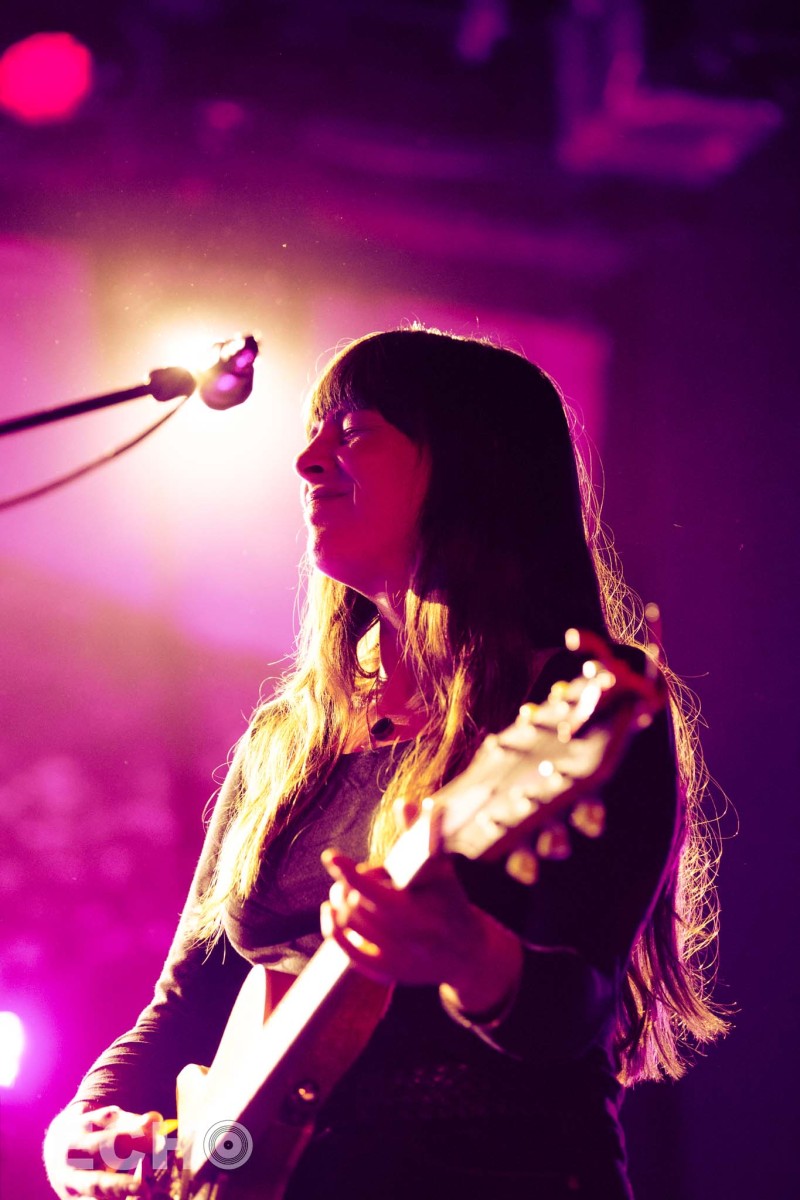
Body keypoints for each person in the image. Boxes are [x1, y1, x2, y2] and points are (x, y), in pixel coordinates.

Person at [43, 328, 726, 1199]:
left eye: (354, 430)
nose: (306, 463)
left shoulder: (572, 705)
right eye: (313, 435)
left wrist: (471, 954)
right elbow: (187, 1005)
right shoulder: (289, 737)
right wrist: (85, 1130)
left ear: (472, 465)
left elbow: (579, 1011)